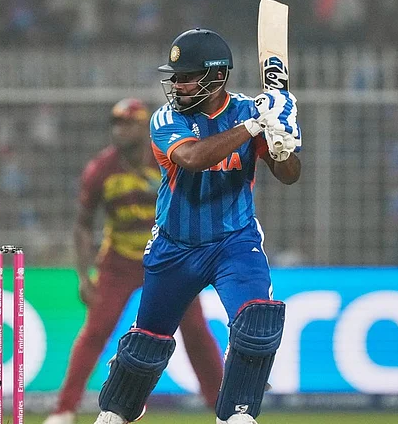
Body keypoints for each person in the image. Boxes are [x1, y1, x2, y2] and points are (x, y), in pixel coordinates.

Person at [91, 28, 302, 424]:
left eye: (186, 76)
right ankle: (118, 410)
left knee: (257, 322)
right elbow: (191, 158)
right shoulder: (166, 118)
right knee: (146, 344)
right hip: (176, 244)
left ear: (217, 75)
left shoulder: (255, 110)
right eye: (175, 76)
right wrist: (255, 126)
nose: (177, 84)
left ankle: (237, 414)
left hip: (234, 241)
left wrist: (280, 140)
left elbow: (289, 174)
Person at [43, 98, 224, 424]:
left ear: (144, 127)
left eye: (128, 123)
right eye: (117, 123)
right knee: (95, 332)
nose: (120, 130)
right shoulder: (101, 170)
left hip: (169, 261)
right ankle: (64, 410)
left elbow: (196, 205)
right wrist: (84, 277)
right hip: (119, 263)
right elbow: (83, 225)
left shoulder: (169, 157)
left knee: (196, 332)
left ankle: (223, 407)